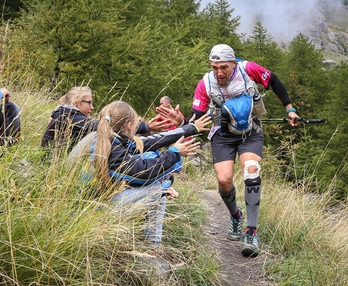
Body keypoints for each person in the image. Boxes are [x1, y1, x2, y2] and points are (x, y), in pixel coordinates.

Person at [157, 44, 300, 256]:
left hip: (250, 131)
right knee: (224, 180)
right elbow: (196, 120)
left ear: (233, 63)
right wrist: (182, 122)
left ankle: (252, 231)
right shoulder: (205, 84)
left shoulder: (248, 69)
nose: (219, 72)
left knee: (252, 170)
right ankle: (235, 216)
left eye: (223, 67)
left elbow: (274, 81)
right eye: (214, 67)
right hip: (222, 135)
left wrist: (290, 110)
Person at [69, 101, 211, 247]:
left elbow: (155, 141)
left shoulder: (105, 138)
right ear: (129, 125)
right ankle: (152, 247)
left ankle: (150, 243)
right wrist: (173, 154)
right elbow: (144, 172)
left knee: (151, 162)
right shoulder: (111, 149)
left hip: (91, 203)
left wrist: (190, 128)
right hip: (89, 214)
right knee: (156, 189)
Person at [41, 87, 176, 151]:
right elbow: (101, 126)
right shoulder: (68, 115)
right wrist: (143, 127)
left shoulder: (67, 114)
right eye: (89, 102)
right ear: (76, 103)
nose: (92, 107)